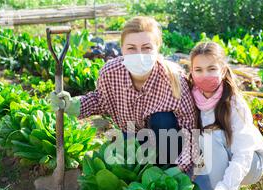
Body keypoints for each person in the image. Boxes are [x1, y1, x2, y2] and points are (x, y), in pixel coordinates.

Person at [50, 16, 197, 172]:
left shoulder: (173, 79)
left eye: (146, 48)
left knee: (162, 119)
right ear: (122, 48)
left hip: (168, 142)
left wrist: (181, 167)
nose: (139, 55)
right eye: (131, 48)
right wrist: (74, 105)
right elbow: (100, 100)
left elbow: (190, 129)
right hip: (132, 134)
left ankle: (166, 166)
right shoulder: (111, 72)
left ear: (158, 48)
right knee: (127, 169)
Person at [189, 41, 263, 190]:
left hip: (250, 163)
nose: (205, 75)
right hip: (213, 158)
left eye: (212, 68)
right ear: (191, 72)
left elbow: (243, 153)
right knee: (198, 139)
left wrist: (225, 188)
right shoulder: (189, 97)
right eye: (198, 70)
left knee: (210, 137)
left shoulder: (233, 103)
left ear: (223, 70)